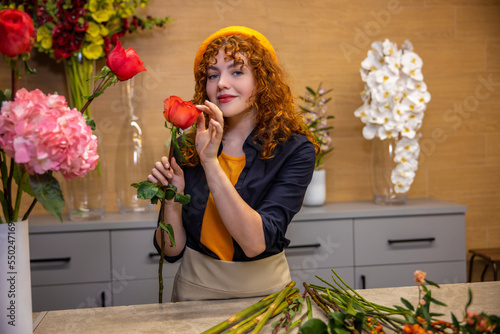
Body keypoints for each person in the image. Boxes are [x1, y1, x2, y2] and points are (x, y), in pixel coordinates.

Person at [148, 26, 320, 302]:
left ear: (262, 81)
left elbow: (254, 244)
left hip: (268, 299)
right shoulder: (186, 146)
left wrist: (210, 162)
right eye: (213, 75)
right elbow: (170, 252)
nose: (221, 84)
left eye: (236, 71)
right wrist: (172, 201)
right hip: (194, 293)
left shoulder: (295, 150)